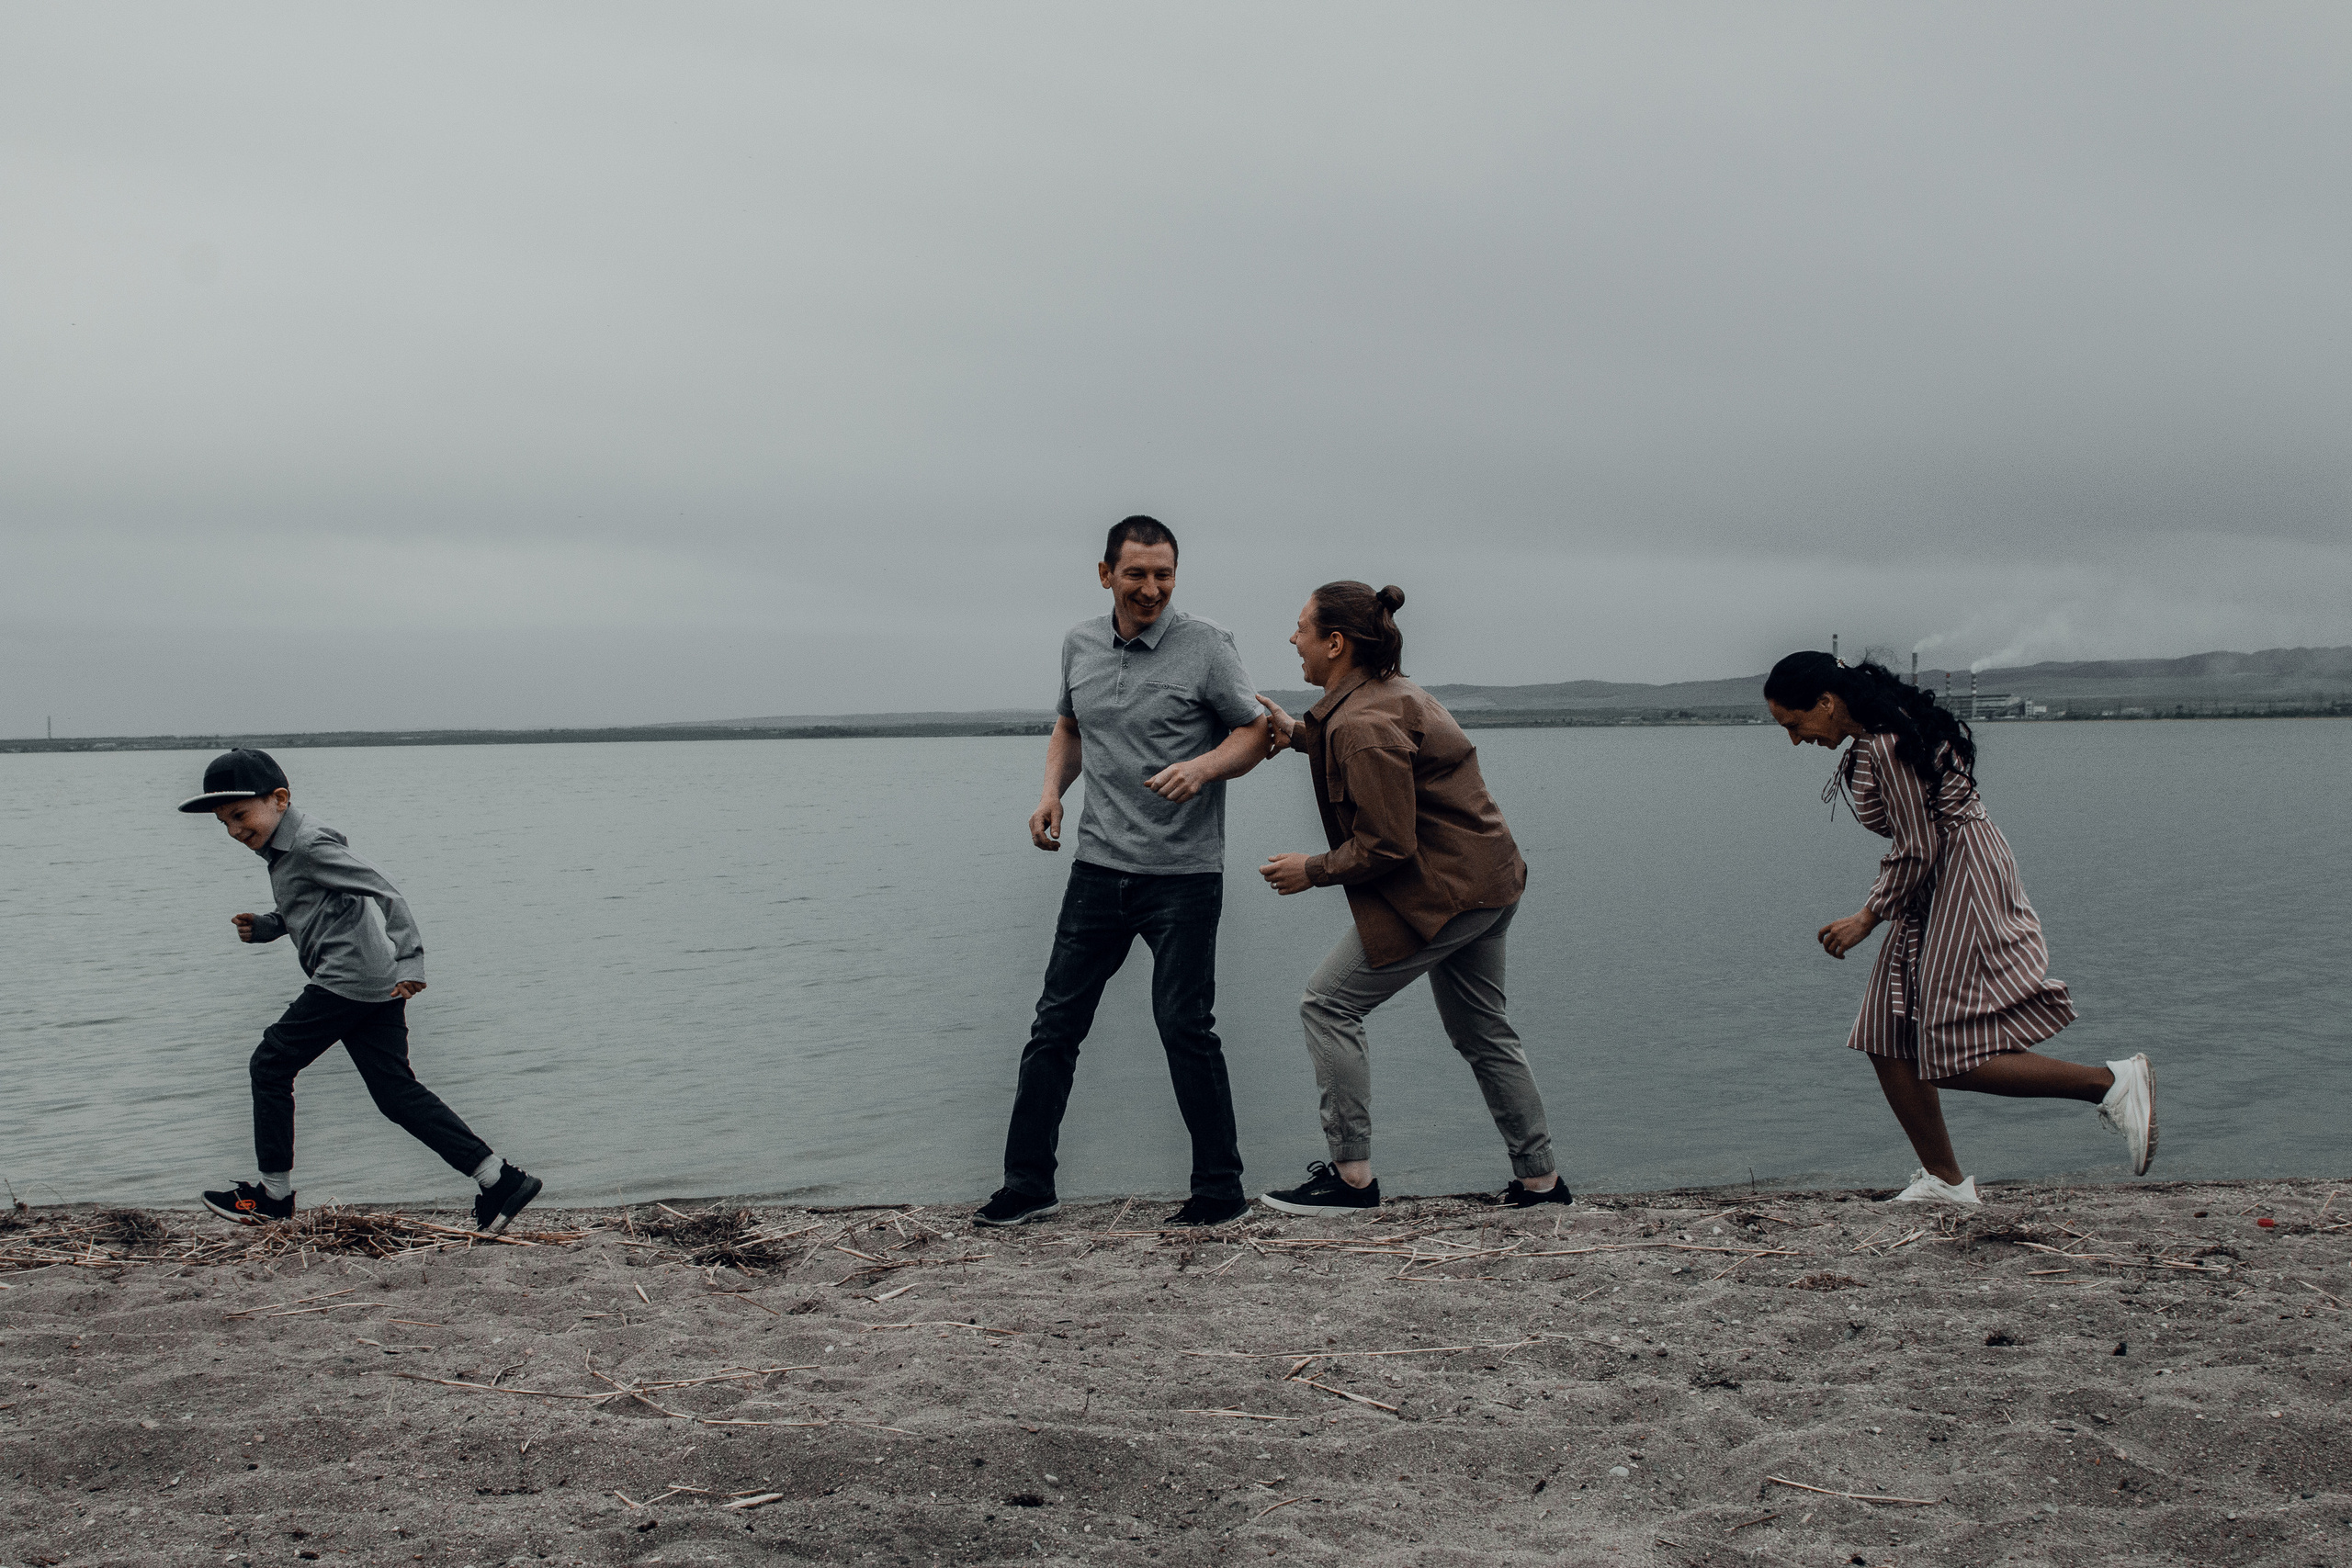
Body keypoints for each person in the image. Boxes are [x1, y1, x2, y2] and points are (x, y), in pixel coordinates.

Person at [1763, 652, 2155, 1205]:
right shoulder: (1883, 732)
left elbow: (1918, 846)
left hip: (1959, 882)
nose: (1795, 739)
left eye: (1794, 723)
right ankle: (1946, 1182)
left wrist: (1866, 917)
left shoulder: (1886, 745)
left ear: (1826, 703)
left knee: (1946, 1053)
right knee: (1885, 1036)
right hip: (1940, 880)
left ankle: (2111, 1084)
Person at [975, 517, 1272, 1229]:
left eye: (1164, 574)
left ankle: (1220, 1190)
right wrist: (1052, 792)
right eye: (1136, 573)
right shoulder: (1079, 643)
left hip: (1184, 876)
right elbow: (1070, 726)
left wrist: (1203, 768)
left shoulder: (1208, 645)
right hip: (1097, 871)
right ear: (1106, 574)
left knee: (1184, 1027)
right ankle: (1027, 1184)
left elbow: (1256, 730)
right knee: (1054, 1026)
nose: (1151, 588)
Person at [1253, 582, 1569, 1214]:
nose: (1293, 639)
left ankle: (1352, 1180)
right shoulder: (1386, 693)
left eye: (1301, 628)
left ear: (1335, 643)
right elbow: (1378, 750)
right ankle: (1541, 1183)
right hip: (1489, 882)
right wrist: (1297, 734)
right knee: (1483, 1030)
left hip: (1446, 893)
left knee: (1328, 1004)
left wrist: (1311, 869)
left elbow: (1388, 843)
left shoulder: (1363, 722)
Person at [177, 748, 542, 1234]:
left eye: (240, 815)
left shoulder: (308, 844)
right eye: (223, 822)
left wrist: (411, 958)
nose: (233, 831)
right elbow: (316, 907)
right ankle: (499, 1179)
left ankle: (273, 1197)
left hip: (348, 979)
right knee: (395, 1092)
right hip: (373, 981)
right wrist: (268, 926)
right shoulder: (285, 848)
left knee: (270, 1063)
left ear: (279, 799)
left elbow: (385, 889)